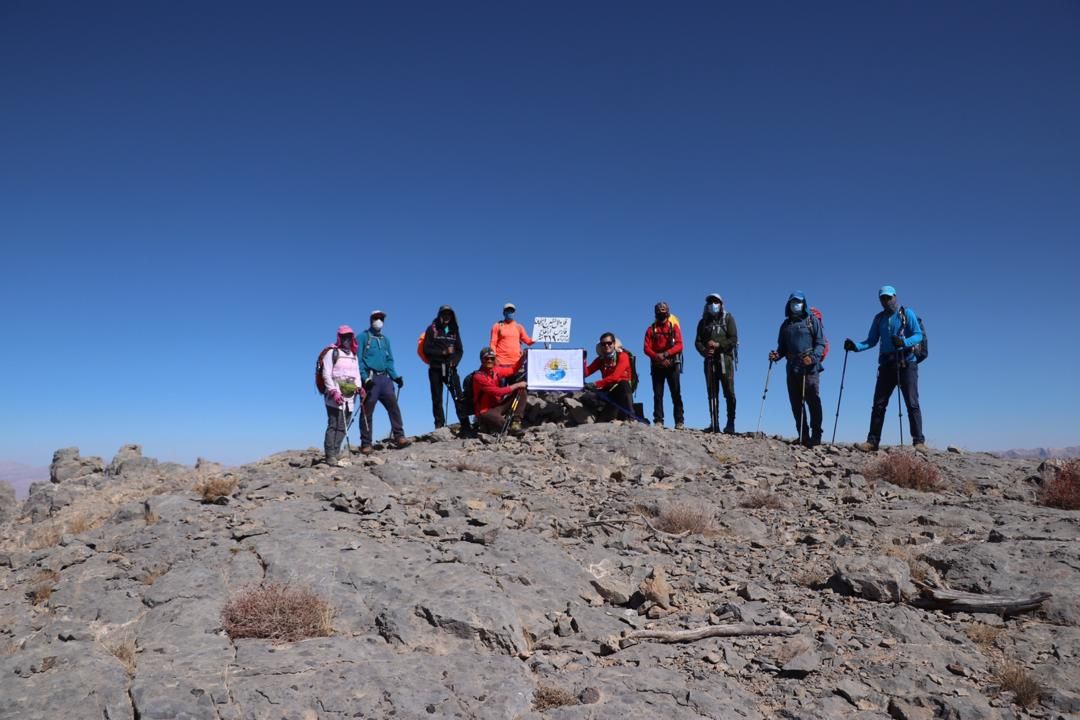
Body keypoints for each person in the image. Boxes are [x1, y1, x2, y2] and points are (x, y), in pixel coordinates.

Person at [844, 285, 926, 451]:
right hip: (887, 366)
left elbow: (918, 335)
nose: (886, 301)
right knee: (879, 404)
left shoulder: (906, 313)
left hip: (906, 363)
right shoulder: (879, 318)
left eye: (889, 297)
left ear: (895, 297)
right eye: (883, 298)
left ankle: (919, 442)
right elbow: (871, 341)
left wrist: (904, 342)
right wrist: (855, 347)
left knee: (912, 403)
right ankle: (872, 442)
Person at [768, 292, 826, 446]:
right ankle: (802, 435)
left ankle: (816, 436)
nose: (796, 304)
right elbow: (782, 348)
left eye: (799, 301)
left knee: (813, 400)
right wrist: (776, 356)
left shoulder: (811, 321)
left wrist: (813, 358)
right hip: (792, 365)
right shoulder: (785, 325)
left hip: (809, 366)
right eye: (793, 302)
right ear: (789, 304)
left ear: (804, 303)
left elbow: (821, 343)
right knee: (795, 402)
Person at [357, 310, 411, 453]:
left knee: (393, 407)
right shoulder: (362, 337)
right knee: (367, 411)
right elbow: (359, 360)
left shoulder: (385, 340)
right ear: (371, 320)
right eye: (376, 318)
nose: (379, 320)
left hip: (385, 379)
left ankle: (399, 436)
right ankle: (366, 443)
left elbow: (389, 360)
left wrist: (395, 377)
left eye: (381, 318)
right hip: (371, 378)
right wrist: (365, 378)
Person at [422, 305, 472, 434]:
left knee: (458, 396)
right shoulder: (431, 329)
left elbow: (460, 350)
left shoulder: (454, 331)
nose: (446, 316)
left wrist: (454, 363)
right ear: (439, 315)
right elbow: (426, 350)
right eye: (444, 314)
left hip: (451, 369)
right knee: (437, 398)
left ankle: (465, 425)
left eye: (449, 314)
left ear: (452, 316)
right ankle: (439, 426)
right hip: (435, 369)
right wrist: (443, 352)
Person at [320, 325, 364, 467]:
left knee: (344, 425)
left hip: (350, 396)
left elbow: (356, 375)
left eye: (349, 337)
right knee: (334, 423)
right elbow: (326, 373)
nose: (347, 339)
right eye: (344, 337)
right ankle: (330, 454)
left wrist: (359, 388)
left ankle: (336, 450)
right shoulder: (332, 353)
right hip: (334, 395)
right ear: (339, 337)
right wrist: (333, 391)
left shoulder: (353, 355)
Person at [694, 293, 738, 433]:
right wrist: (705, 351)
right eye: (711, 302)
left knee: (729, 392)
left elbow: (733, 339)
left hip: (725, 360)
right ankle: (714, 423)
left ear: (721, 303)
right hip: (709, 361)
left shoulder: (728, 318)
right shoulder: (703, 322)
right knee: (712, 392)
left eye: (716, 301)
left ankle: (730, 423)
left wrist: (718, 345)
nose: (713, 304)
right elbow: (698, 342)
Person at [643, 301, 684, 428]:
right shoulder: (651, 329)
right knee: (658, 394)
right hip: (657, 364)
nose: (662, 311)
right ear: (655, 312)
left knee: (675, 392)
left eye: (664, 309)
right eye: (659, 310)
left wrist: (666, 354)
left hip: (672, 363)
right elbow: (646, 348)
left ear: (668, 311)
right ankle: (658, 420)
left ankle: (679, 421)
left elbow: (679, 345)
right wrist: (658, 357)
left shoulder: (673, 327)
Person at [471, 347, 527, 435]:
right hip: (485, 411)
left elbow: (513, 369)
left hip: (498, 406)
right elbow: (497, 392)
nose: (489, 361)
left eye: (492, 358)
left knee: (521, 391)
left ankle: (516, 422)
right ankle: (504, 428)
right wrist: (517, 385)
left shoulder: (496, 370)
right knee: (502, 423)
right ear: (481, 360)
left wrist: (523, 357)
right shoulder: (478, 377)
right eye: (486, 358)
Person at [585, 333, 637, 422]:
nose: (606, 345)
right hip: (608, 390)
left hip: (621, 390)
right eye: (603, 344)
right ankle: (602, 412)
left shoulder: (623, 356)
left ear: (614, 344)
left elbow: (615, 377)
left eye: (609, 343)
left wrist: (595, 384)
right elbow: (586, 373)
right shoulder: (600, 360)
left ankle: (631, 417)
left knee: (624, 384)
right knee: (586, 396)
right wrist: (583, 359)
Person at [490, 302, 535, 368]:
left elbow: (528, 342)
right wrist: (494, 358)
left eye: (512, 311)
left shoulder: (518, 327)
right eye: (508, 310)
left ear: (514, 313)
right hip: (500, 363)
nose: (510, 312)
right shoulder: (497, 326)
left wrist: (539, 334)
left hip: (517, 363)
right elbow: (493, 343)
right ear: (504, 313)